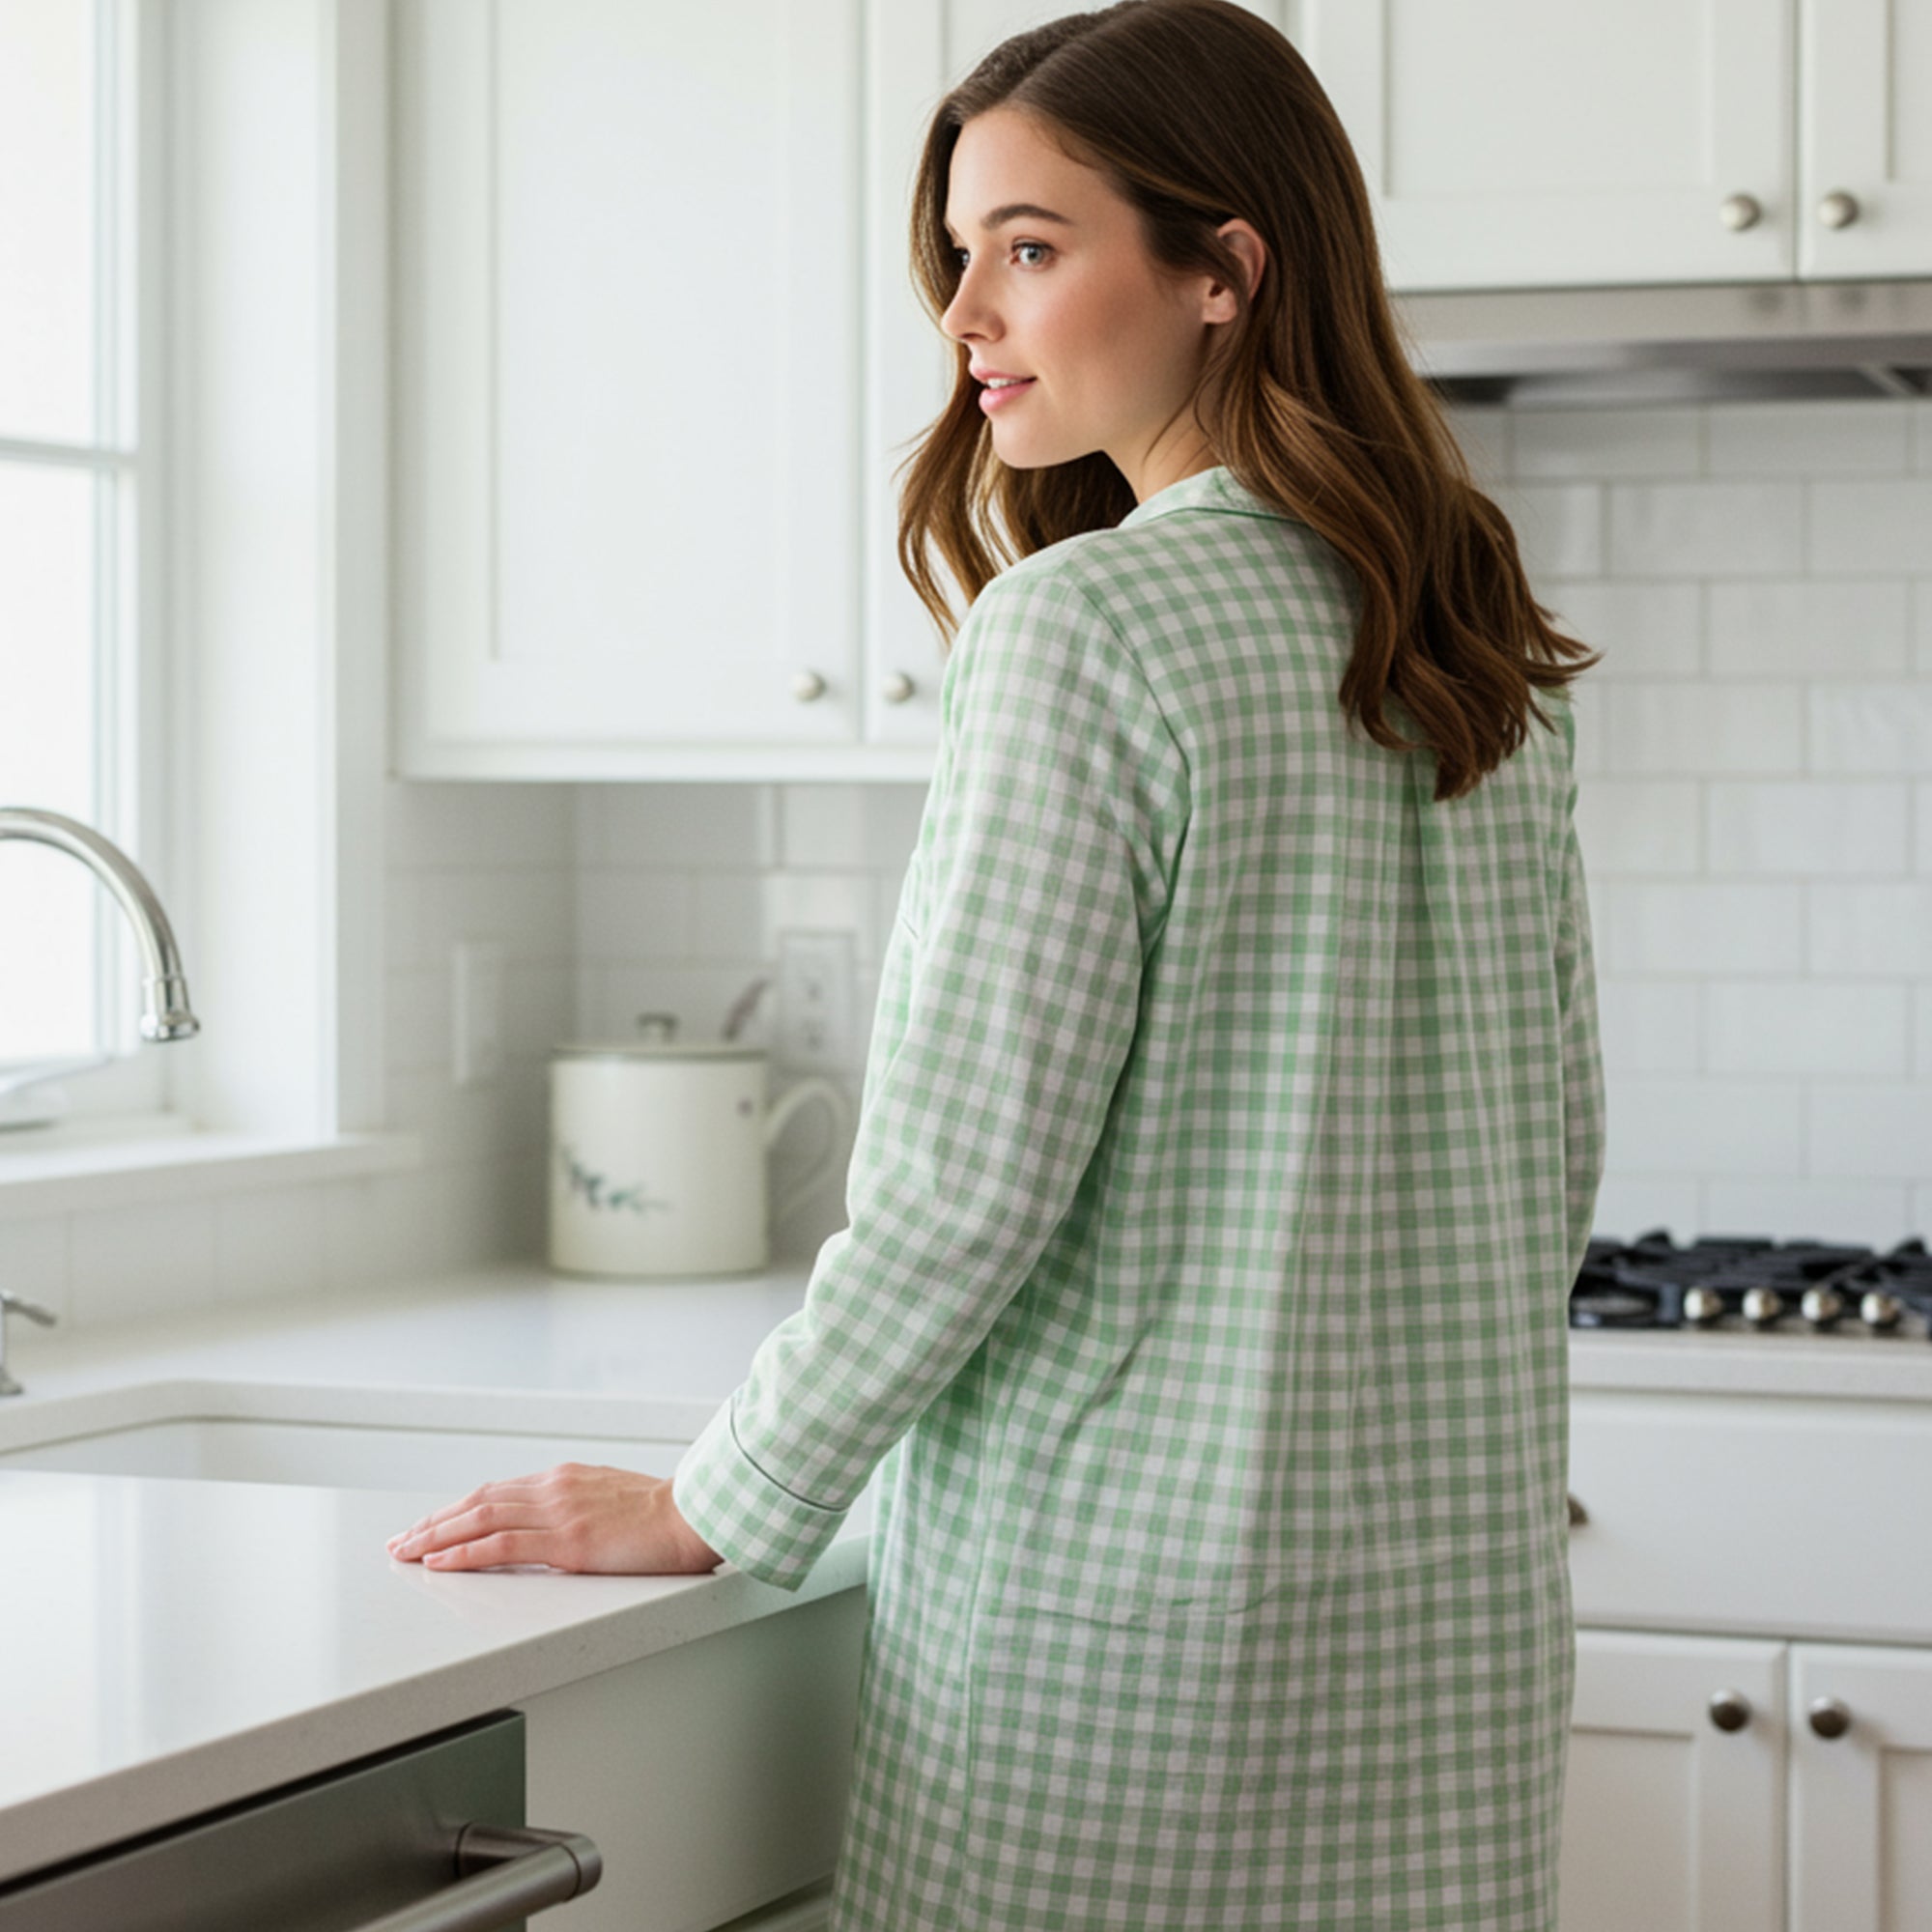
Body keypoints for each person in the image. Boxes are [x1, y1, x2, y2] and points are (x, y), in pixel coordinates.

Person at [387, 2, 1607, 1925]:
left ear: (1224, 272)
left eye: (1028, 248)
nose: (965, 314)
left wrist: (718, 1496)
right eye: (959, 255)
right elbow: (1554, 1158)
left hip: (1125, 1653)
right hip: (1442, 1641)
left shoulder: (1087, 629)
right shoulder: (1470, 645)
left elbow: (964, 1188)